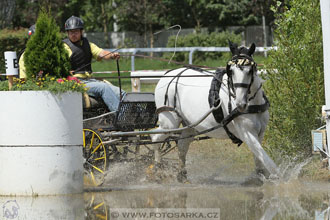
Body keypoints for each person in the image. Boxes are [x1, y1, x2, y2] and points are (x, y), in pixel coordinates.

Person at [63, 16, 124, 112]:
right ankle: (120, 116)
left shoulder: (88, 45)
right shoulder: (64, 47)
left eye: (76, 31)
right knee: (104, 88)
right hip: (77, 82)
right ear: (67, 33)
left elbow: (101, 53)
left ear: (81, 32)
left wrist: (111, 55)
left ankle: (134, 114)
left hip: (90, 80)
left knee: (121, 92)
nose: (73, 34)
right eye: (71, 32)